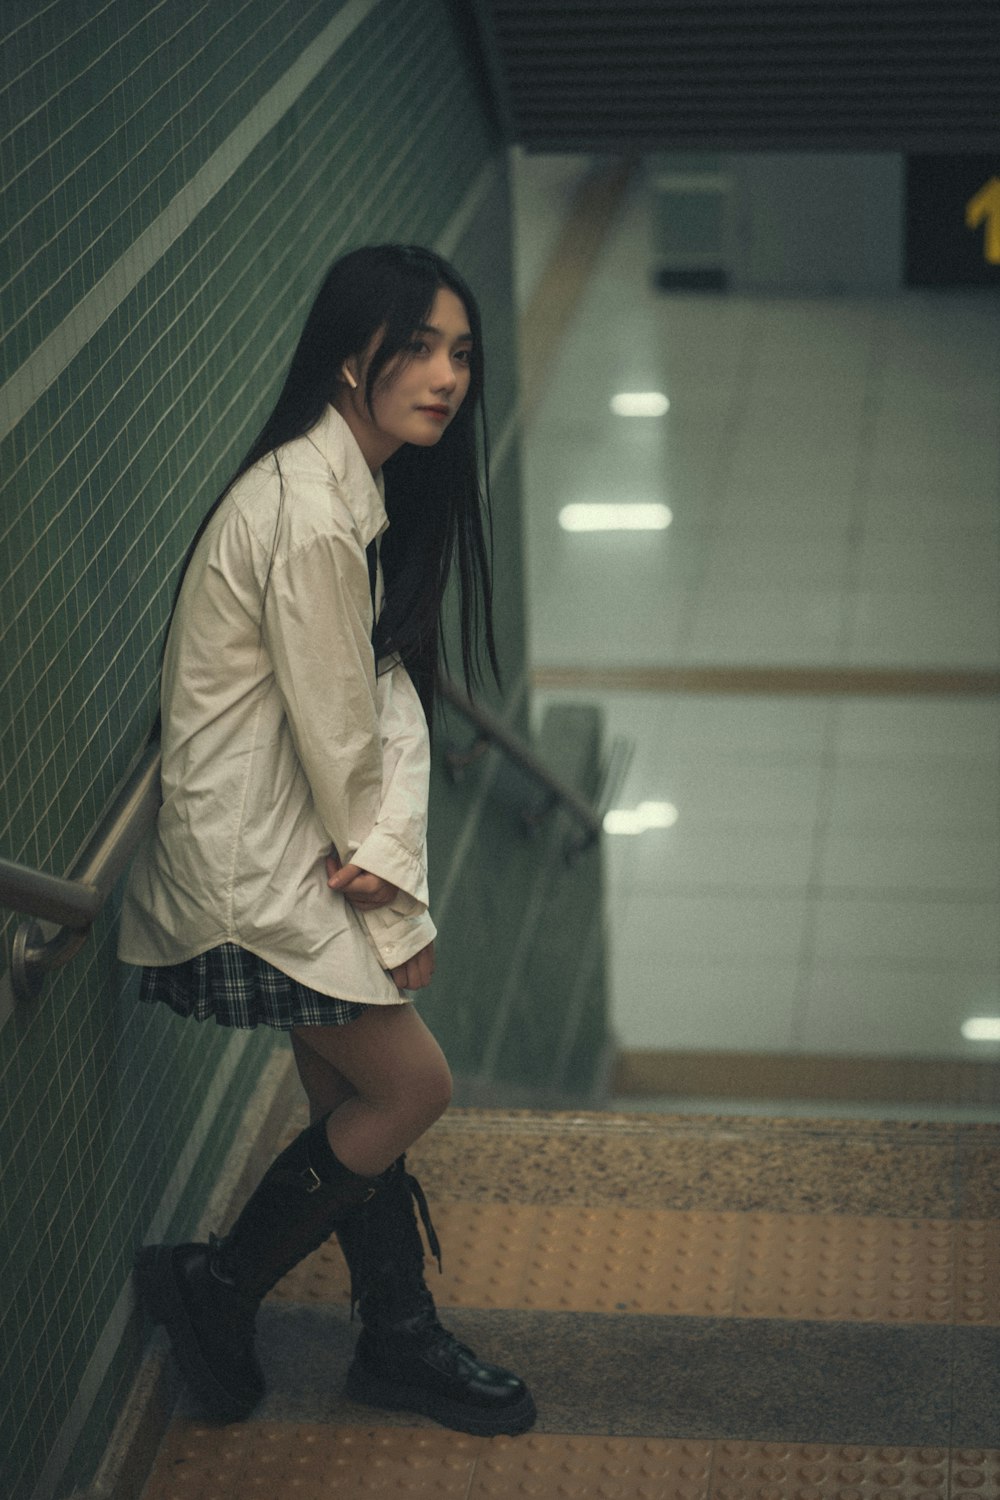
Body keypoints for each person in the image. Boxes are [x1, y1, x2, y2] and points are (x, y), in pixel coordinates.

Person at [118, 244, 536, 1437]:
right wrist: (400, 914)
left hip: (278, 842)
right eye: (417, 347)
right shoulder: (309, 511)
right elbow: (341, 738)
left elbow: (357, 708)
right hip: (265, 864)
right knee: (413, 1088)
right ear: (350, 357)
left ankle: (395, 1337)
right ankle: (219, 1284)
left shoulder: (339, 489)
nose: (446, 374)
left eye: (460, 351)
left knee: (346, 1095)